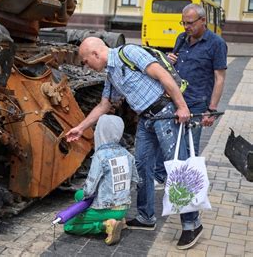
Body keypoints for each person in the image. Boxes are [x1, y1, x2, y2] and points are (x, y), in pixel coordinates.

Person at [66, 37, 203, 250]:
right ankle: (146, 216)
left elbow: (163, 75)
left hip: (165, 113)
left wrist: (182, 107)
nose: (86, 66)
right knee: (141, 166)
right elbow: (104, 105)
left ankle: (192, 224)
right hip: (146, 119)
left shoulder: (128, 52)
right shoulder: (111, 74)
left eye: (85, 61)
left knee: (178, 168)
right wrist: (81, 128)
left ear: (95, 54)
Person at [154, 4, 227, 192]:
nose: (186, 27)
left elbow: (219, 79)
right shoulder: (181, 38)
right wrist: (169, 61)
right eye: (183, 23)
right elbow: (172, 68)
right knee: (167, 140)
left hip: (196, 102)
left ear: (203, 21)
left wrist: (211, 110)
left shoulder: (216, 44)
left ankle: (185, 188)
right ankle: (162, 175)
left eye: (190, 23)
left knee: (189, 146)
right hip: (175, 99)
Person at [64, 114, 138, 246]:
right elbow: (135, 181)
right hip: (124, 206)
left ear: (100, 132)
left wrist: (86, 201)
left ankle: (105, 225)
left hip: (106, 207)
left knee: (69, 225)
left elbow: (90, 189)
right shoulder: (128, 154)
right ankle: (120, 220)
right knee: (78, 194)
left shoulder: (100, 156)